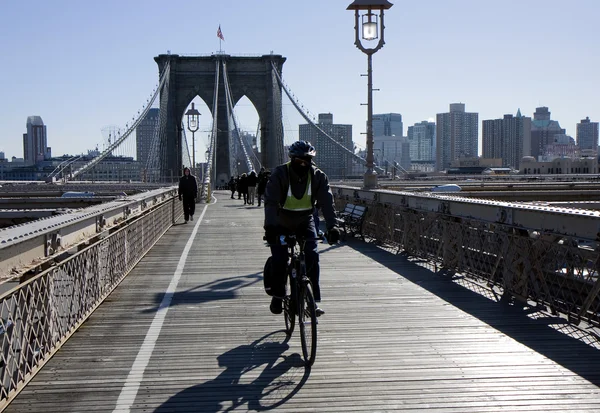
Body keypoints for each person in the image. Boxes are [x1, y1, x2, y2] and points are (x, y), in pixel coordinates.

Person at [263, 140, 340, 316]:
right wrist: (270, 228)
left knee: (312, 255)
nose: (303, 164)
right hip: (281, 222)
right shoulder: (280, 174)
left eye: (307, 161)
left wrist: (333, 226)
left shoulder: (318, 176)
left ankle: (312, 300)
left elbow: (327, 203)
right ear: (292, 159)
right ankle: (278, 295)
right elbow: (271, 203)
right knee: (280, 259)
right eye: (299, 161)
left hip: (306, 220)